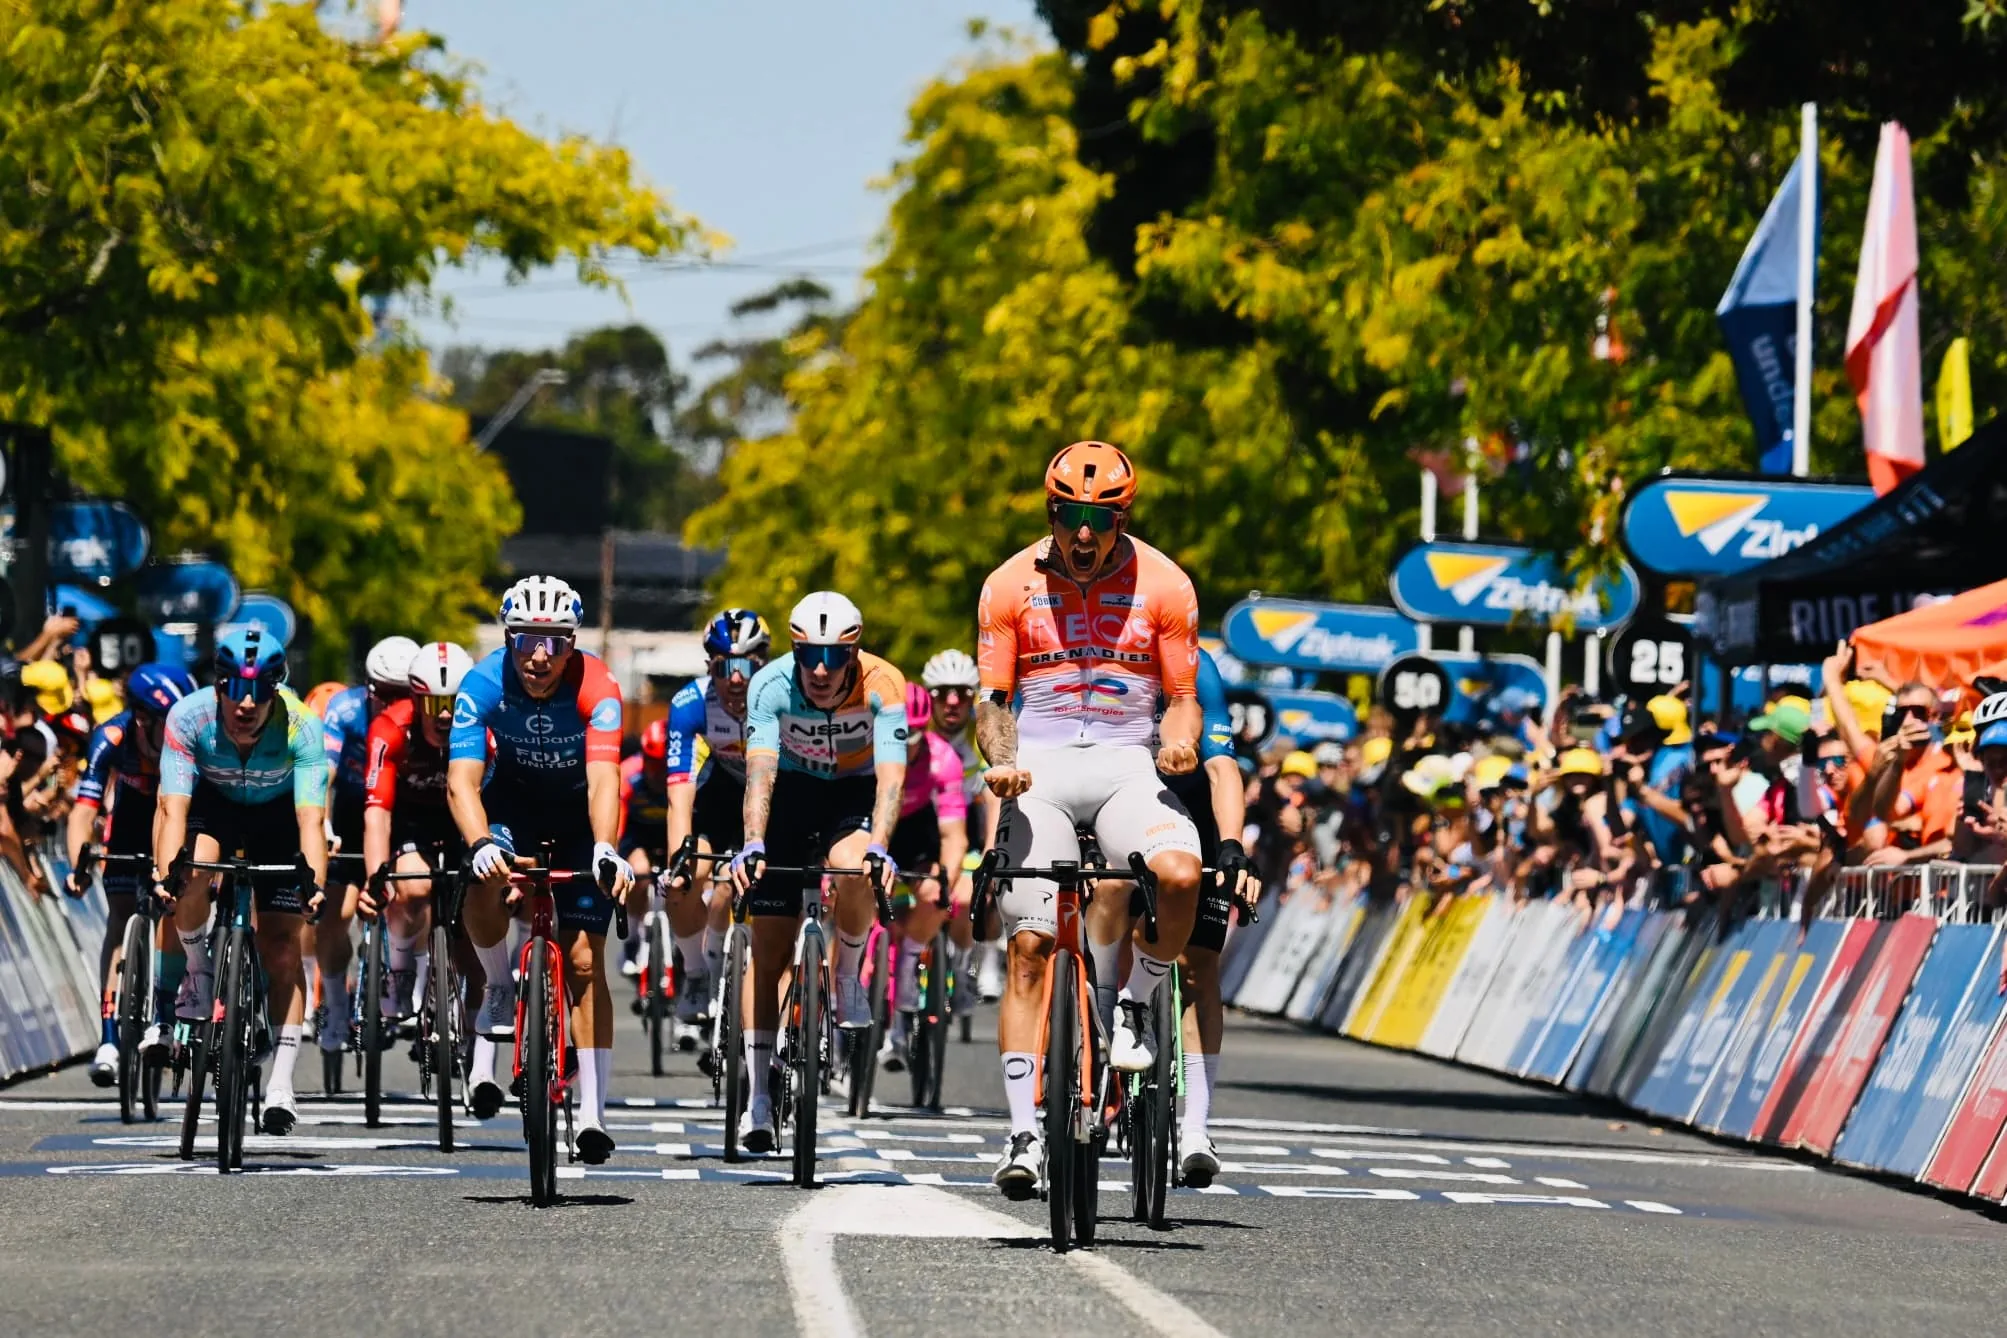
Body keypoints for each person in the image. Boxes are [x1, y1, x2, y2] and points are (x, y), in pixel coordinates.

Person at [974, 440, 1205, 1195]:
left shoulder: (1165, 584)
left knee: (1179, 875)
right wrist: (1001, 759)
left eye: (1099, 520)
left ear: (1122, 518)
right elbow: (992, 700)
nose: (1082, 534)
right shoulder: (1008, 584)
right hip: (1037, 772)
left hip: (1122, 768)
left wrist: (1177, 743)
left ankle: (1135, 1003)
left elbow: (1181, 697)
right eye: (1070, 515)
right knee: (1030, 947)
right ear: (1050, 511)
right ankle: (1019, 1137)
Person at [447, 576, 635, 1162]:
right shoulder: (481, 682)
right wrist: (479, 841)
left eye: (555, 642)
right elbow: (462, 780)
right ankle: (499, 985)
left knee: (583, 961)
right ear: (508, 637)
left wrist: (605, 847)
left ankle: (593, 1115)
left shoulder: (598, 686)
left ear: (573, 644)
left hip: (581, 814)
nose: (539, 655)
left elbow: (606, 779)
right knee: (483, 878)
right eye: (527, 639)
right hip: (512, 806)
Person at [727, 591, 907, 1152]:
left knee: (855, 870)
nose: (822, 669)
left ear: (854, 650)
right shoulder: (770, 685)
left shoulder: (884, 684)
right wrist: (754, 841)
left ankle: (849, 971)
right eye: (809, 655)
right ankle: (758, 1099)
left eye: (834, 655)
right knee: (768, 948)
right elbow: (759, 775)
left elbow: (891, 778)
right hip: (790, 797)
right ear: (794, 650)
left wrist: (880, 846)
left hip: (851, 795)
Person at [152, 627, 329, 1135]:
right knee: (191, 878)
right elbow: (173, 807)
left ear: (277, 689)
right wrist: (169, 874)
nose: (245, 704)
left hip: (277, 820)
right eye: (234, 689)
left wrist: (312, 882)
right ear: (218, 685)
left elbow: (311, 821)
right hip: (215, 810)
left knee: (281, 947)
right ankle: (198, 968)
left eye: (258, 691)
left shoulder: (302, 727)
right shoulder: (189, 718)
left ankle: (281, 1084)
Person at [1151, 646, 1255, 1187]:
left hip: (1195, 815)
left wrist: (1233, 844)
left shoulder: (1198, 667)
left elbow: (1221, 768)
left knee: (1198, 968)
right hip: (1114, 811)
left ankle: (1196, 1127)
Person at [67, 664, 197, 1085]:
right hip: (127, 821)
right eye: (167, 722)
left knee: (174, 908)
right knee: (120, 914)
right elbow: (84, 811)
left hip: (174, 815)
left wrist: (171, 873)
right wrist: (77, 866)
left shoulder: (188, 741)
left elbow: (177, 811)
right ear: (143, 718)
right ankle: (108, 1036)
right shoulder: (112, 737)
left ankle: (163, 1013)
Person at [661, 608, 771, 1042]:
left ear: (761, 664)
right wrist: (678, 863)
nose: (736, 679)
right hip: (722, 794)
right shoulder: (690, 703)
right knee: (687, 880)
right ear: (710, 667)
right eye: (724, 666)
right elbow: (679, 791)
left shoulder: (784, 696)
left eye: (745, 665)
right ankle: (693, 970)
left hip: (774, 797)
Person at [357, 642, 476, 1025]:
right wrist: (377, 878)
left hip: (465, 818)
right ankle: (401, 966)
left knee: (474, 920)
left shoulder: (483, 727)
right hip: (412, 818)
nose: (443, 716)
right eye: (431, 705)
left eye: (453, 704)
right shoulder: (391, 728)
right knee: (413, 888)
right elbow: (378, 813)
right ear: (414, 698)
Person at [314, 635, 419, 1060]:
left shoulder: (420, 719)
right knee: (335, 916)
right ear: (369, 689)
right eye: (386, 695)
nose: (394, 703)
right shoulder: (345, 710)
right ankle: (336, 1002)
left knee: (414, 899)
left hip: (399, 811)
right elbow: (323, 772)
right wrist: (321, 822)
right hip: (351, 812)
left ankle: (400, 975)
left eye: (404, 695)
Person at [882, 680, 971, 1067]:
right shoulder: (867, 753)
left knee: (936, 897)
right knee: (847, 897)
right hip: (873, 829)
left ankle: (909, 963)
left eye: (915, 735)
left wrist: (944, 879)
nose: (907, 743)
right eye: (899, 735)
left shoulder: (943, 758)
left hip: (918, 834)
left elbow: (953, 835)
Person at [919, 647, 1002, 1000]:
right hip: (922, 847)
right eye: (941, 693)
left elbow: (995, 806)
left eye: (963, 693)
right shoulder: (914, 744)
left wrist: (990, 854)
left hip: (966, 847)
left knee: (969, 898)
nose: (952, 701)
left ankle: (970, 962)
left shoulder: (981, 748)